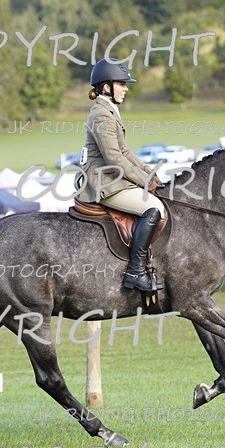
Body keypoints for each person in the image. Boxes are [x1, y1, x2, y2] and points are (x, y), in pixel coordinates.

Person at [76, 59, 166, 293]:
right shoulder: (101, 115)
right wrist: (145, 183)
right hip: (103, 183)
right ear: (106, 87)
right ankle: (136, 271)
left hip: (112, 178)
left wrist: (151, 175)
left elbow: (125, 152)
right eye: (122, 84)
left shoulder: (108, 111)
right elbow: (114, 158)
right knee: (154, 209)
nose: (126, 88)